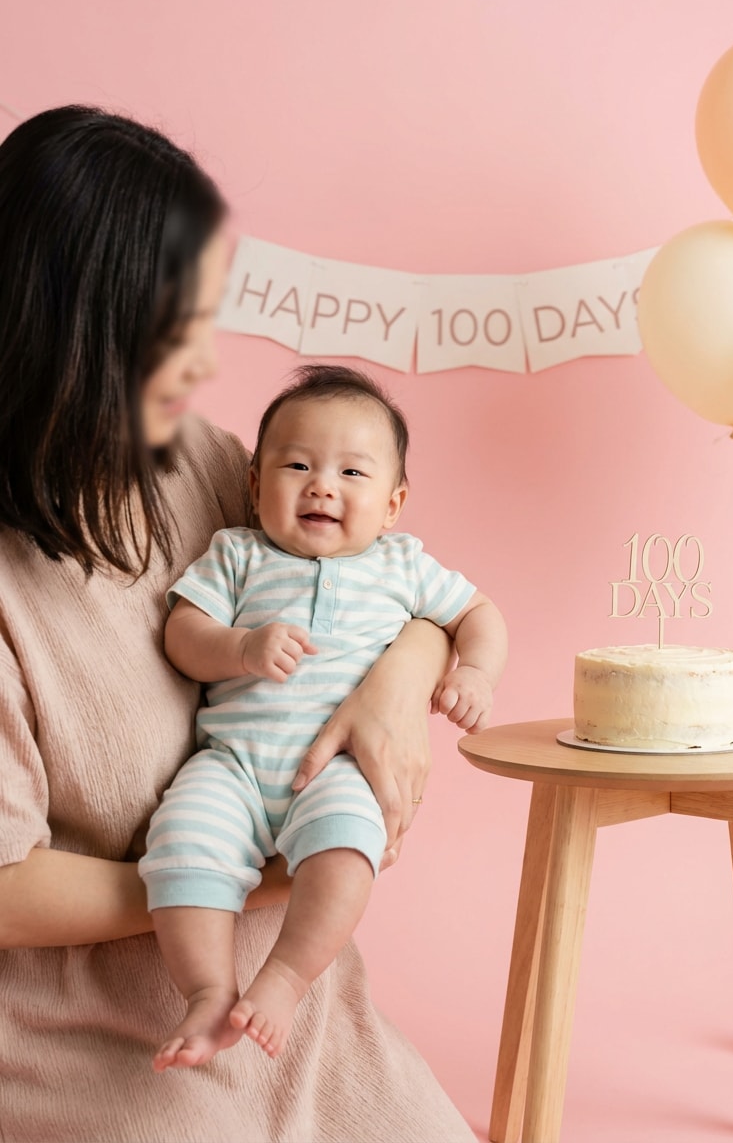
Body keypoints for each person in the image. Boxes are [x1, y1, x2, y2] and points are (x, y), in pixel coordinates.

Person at [0, 105, 479, 1143]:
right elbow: (4, 889)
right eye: (179, 328)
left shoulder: (201, 464)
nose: (208, 364)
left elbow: (389, 578)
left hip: (298, 1007)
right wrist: (229, 875)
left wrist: (395, 690)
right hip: (93, 1045)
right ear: (86, 329)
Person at [140, 365, 507, 1070]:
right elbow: (182, 635)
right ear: (254, 485)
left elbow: (481, 615)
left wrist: (475, 673)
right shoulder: (239, 554)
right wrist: (241, 648)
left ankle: (284, 978)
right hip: (234, 765)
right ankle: (208, 992)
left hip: (336, 771)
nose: (322, 485)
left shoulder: (403, 564)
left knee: (348, 851)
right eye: (298, 465)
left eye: (352, 473)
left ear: (395, 503)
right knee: (180, 844)